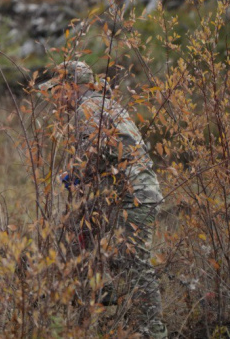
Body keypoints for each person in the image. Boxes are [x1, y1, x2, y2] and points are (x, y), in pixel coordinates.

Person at [38, 61, 167, 338]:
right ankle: (101, 299)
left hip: (132, 195)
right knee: (90, 245)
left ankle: (152, 332)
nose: (55, 98)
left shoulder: (88, 109)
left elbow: (91, 156)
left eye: (58, 90)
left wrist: (72, 177)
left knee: (135, 266)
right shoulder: (104, 105)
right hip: (122, 194)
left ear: (72, 87)